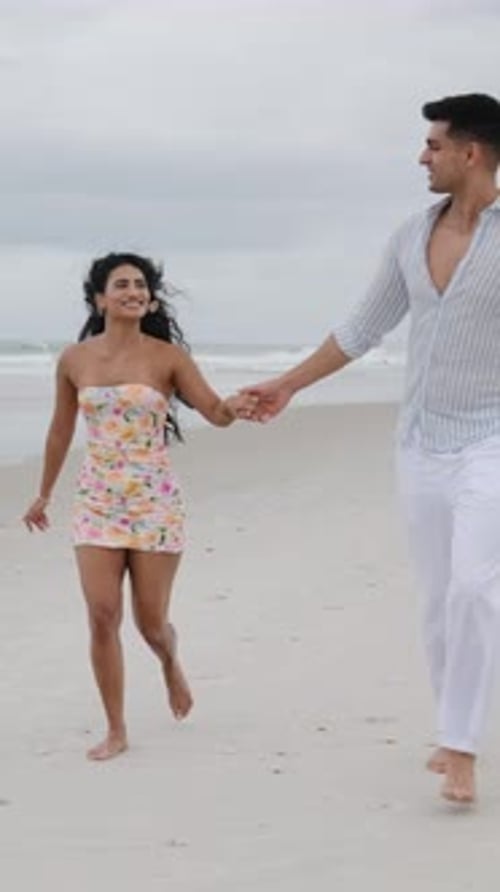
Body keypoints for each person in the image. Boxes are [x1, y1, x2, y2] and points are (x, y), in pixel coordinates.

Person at [244, 94, 500, 804]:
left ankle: (460, 745)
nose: (422, 156)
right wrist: (289, 385)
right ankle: (455, 728)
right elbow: (362, 327)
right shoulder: (407, 237)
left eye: (433, 145)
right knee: (438, 598)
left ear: (470, 153)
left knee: (477, 588)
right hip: (419, 441)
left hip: (491, 439)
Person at [22, 252, 255, 761]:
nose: (133, 291)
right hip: (97, 501)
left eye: (141, 285)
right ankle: (116, 728)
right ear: (99, 298)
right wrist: (43, 492)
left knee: (151, 624)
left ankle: (170, 660)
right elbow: (61, 428)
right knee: (102, 615)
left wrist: (234, 408)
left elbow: (214, 413)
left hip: (154, 501)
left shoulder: (167, 358)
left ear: (148, 298)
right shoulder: (74, 359)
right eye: (122, 284)